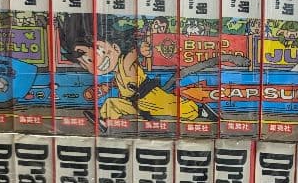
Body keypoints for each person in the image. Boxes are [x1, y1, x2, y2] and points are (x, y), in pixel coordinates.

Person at [58, 13, 198, 123]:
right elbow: (122, 81)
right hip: (134, 102)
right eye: (85, 62)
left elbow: (134, 51)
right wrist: (108, 86)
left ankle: (199, 110)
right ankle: (102, 122)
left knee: (179, 108)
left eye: (99, 51)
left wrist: (142, 48)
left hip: (150, 97)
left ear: (115, 46)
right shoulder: (117, 70)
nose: (95, 63)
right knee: (111, 104)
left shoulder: (125, 61)